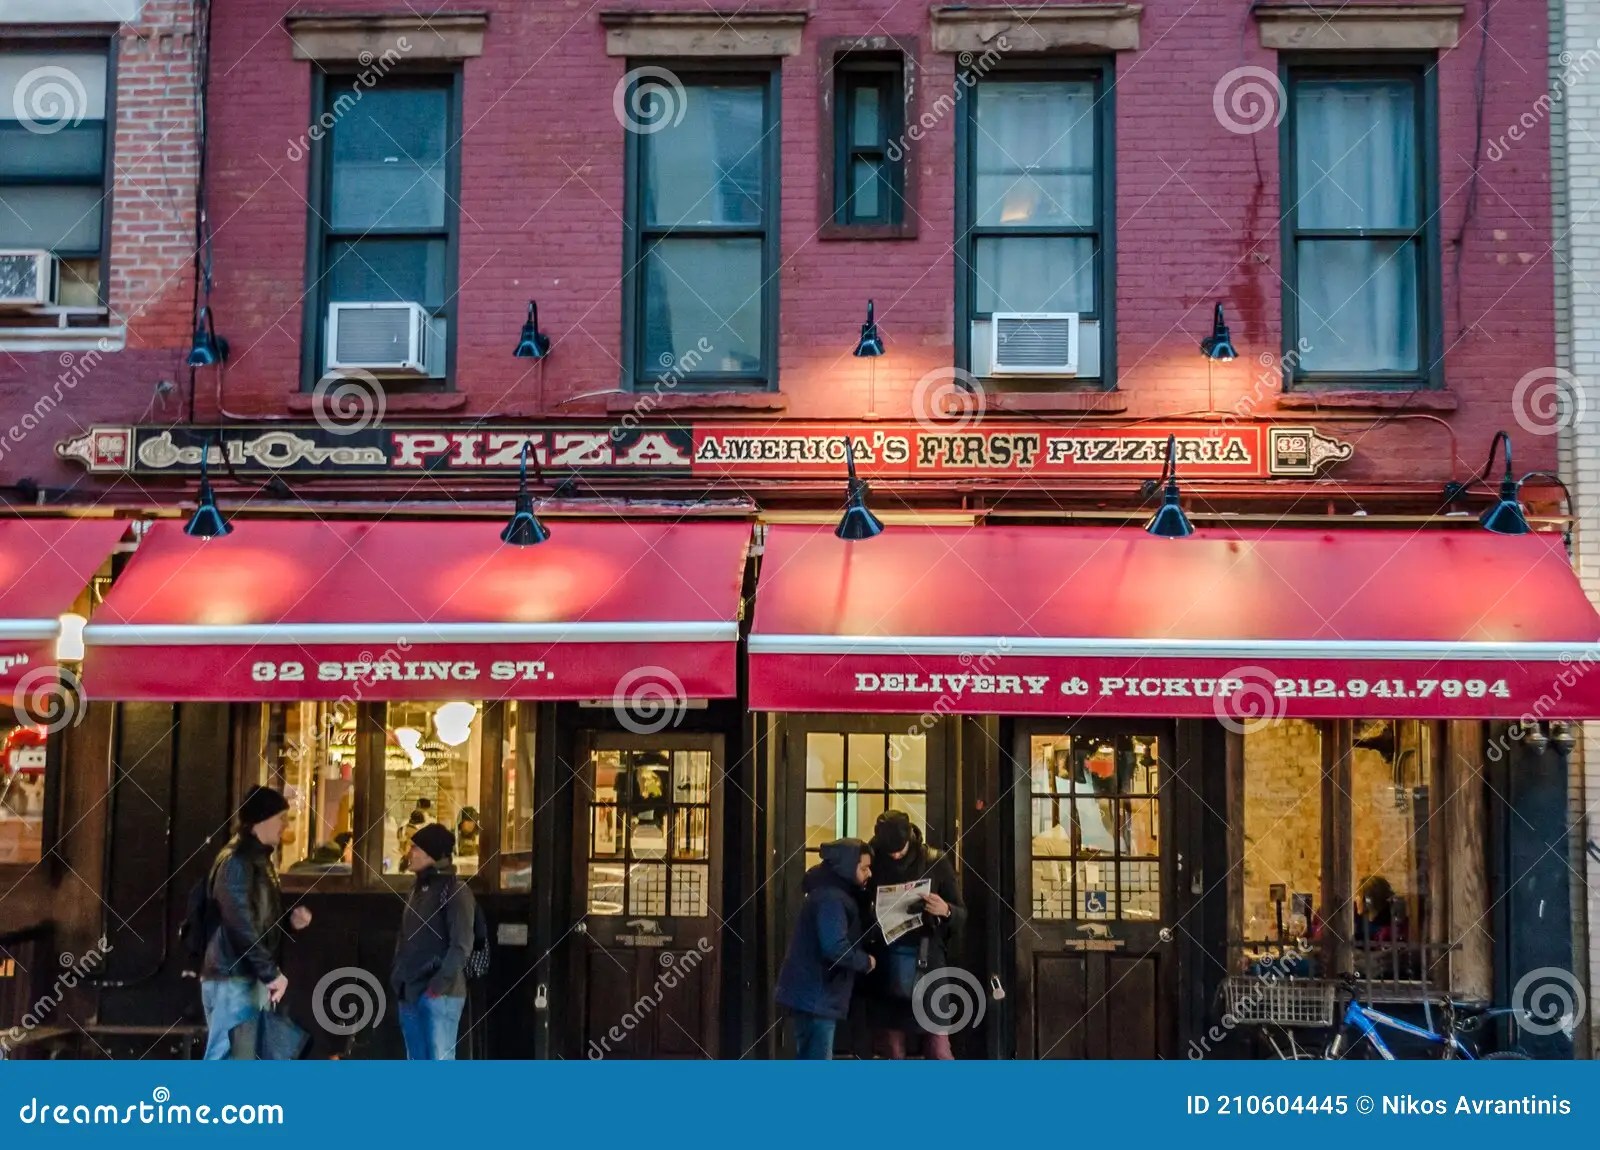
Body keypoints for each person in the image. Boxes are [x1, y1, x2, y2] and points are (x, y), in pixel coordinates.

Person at [200, 785, 312, 1060]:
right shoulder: (238, 861)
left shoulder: (256, 859)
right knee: (226, 1055)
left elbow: (252, 916)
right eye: (280, 818)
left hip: (242, 974)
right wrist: (270, 972)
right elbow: (240, 922)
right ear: (261, 820)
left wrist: (287, 921)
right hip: (235, 976)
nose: (286, 825)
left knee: (240, 1057)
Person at [864, 810, 966, 1059]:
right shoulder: (873, 864)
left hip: (928, 961)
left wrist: (946, 910)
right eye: (891, 852)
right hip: (887, 964)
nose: (897, 855)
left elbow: (962, 914)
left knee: (938, 1048)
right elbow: (857, 912)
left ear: (911, 837)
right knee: (891, 1050)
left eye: (901, 849)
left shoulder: (934, 861)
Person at [775, 839, 875, 1059]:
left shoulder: (827, 892)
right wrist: (865, 962)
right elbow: (834, 947)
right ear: (848, 867)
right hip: (817, 996)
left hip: (812, 994)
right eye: (864, 868)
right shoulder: (832, 899)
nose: (869, 874)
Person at [390, 822, 475, 1059]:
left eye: (416, 848)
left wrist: (437, 987)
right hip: (411, 992)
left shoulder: (456, 891)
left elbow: (461, 946)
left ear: (432, 853)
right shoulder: (416, 889)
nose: (410, 853)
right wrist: (399, 977)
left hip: (440, 996)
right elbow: (404, 936)